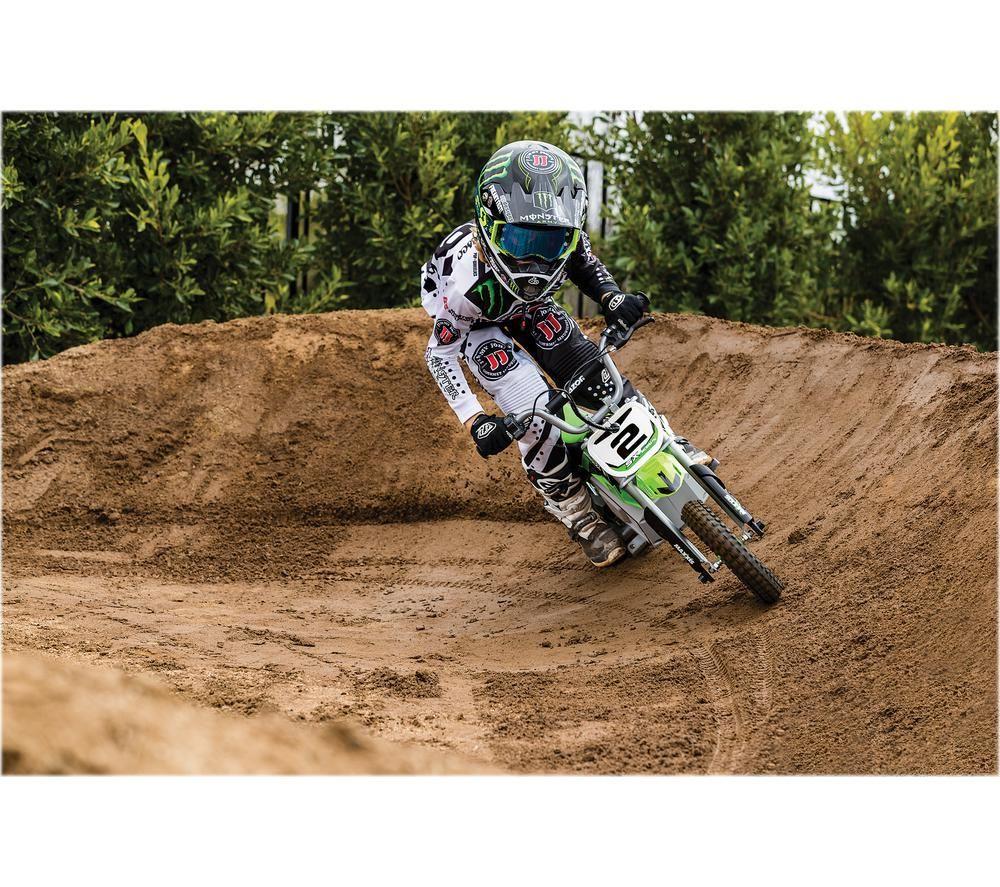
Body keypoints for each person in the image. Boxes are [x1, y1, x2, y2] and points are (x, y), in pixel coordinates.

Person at [421, 140, 701, 567]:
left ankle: (665, 444)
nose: (535, 257)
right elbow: (439, 356)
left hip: (531, 307)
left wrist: (612, 298)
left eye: (550, 243)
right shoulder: (464, 286)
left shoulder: (566, 231)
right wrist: (476, 421)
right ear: (488, 227)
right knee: (536, 422)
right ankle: (577, 512)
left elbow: (585, 266)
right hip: (479, 324)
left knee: (596, 376)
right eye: (520, 239)